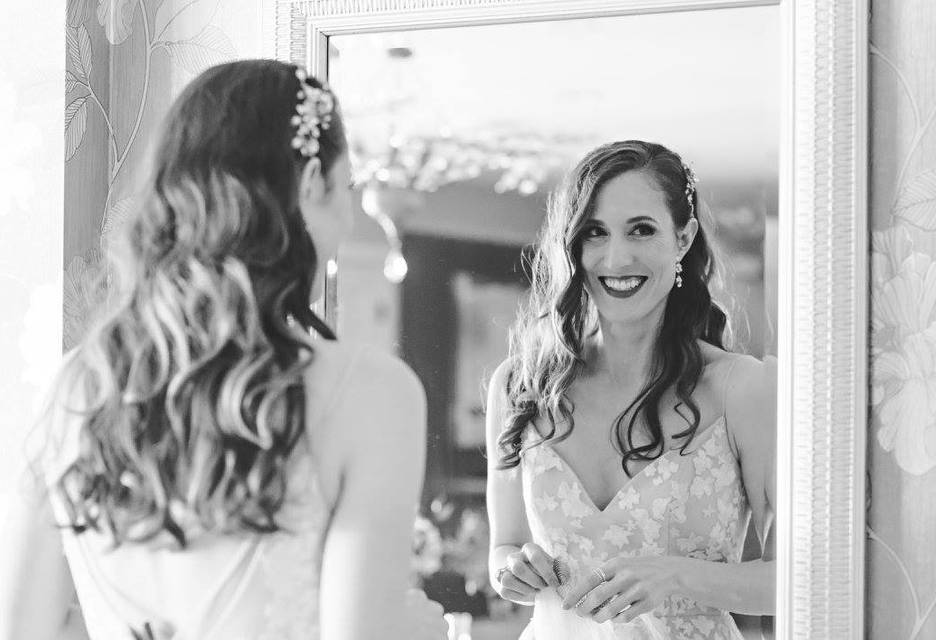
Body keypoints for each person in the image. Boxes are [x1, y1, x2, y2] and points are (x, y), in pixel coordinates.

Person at [3, 59, 446, 640]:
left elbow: (21, 629)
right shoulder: (373, 395)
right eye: (346, 189)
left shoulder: (76, 389)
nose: (348, 217)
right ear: (309, 183)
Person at [485, 140, 776, 639]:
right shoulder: (519, 385)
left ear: (683, 238)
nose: (616, 257)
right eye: (594, 233)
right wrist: (512, 570)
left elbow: (800, 577)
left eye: (641, 230)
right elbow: (504, 549)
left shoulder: (742, 388)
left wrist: (677, 575)